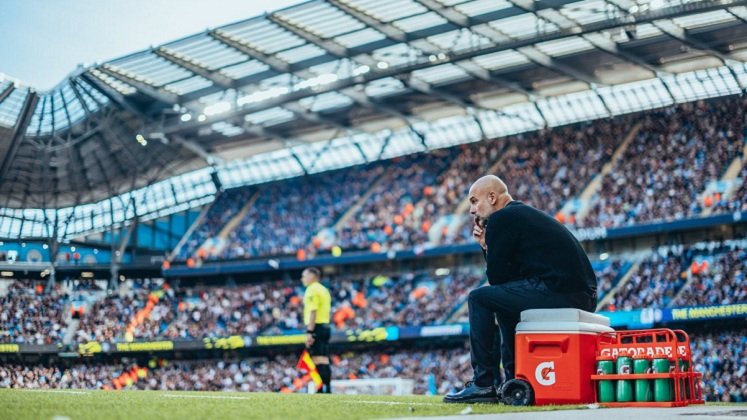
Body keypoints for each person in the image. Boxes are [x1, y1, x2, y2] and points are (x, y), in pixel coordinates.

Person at [444, 175, 597, 403]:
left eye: (475, 201)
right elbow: (506, 281)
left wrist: (485, 245)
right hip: (575, 293)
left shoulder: (502, 218)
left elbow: (495, 279)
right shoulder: (518, 215)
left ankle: (484, 383)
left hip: (562, 290)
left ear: (493, 197)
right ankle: (514, 380)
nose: (472, 210)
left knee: (479, 298)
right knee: (504, 304)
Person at [302, 267, 333, 393]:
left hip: (317, 327)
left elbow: (313, 311)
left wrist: (310, 332)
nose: (302, 279)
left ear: (312, 276)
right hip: (325, 326)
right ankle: (327, 388)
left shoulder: (312, 289)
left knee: (317, 359)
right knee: (323, 358)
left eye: (304, 276)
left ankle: (321, 389)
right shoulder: (323, 289)